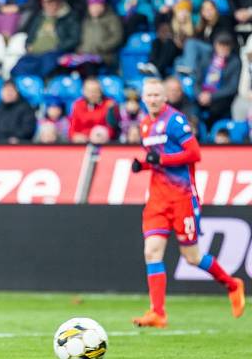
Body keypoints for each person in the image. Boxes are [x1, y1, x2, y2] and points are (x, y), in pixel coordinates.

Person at [130, 77, 244, 328]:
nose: (152, 100)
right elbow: (158, 158)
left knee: (192, 257)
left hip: (182, 197)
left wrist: (160, 160)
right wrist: (145, 165)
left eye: (157, 95)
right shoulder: (145, 124)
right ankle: (157, 313)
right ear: (143, 98)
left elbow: (194, 153)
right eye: (148, 96)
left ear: (165, 98)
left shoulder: (175, 120)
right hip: (158, 199)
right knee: (152, 251)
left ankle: (232, 284)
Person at [68, 77, 116, 143]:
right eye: (90, 91)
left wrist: (92, 136)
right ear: (84, 91)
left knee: (98, 133)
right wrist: (75, 136)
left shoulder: (109, 104)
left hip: (101, 140)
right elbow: (73, 128)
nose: (93, 94)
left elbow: (111, 129)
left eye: (95, 91)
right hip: (82, 140)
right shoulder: (78, 105)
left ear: (101, 91)